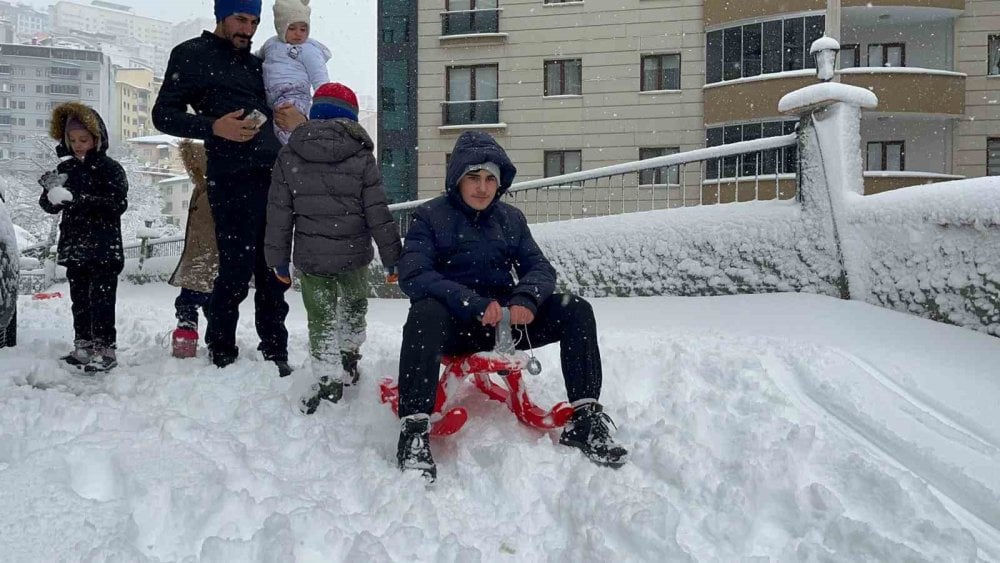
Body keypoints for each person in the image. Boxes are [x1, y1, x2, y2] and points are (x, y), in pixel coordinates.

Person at [394, 131, 628, 482]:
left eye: (491, 179)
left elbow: (539, 267)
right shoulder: (430, 216)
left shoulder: (510, 219)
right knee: (423, 312)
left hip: (506, 325)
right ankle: (413, 429)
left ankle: (585, 418)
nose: (482, 187)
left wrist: (526, 299)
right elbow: (413, 274)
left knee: (575, 308)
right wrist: (471, 302)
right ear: (457, 179)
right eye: (473, 177)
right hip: (454, 325)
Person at [152, 0, 307, 376]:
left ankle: (275, 350)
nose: (248, 29)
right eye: (240, 19)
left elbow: (284, 102)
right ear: (221, 16)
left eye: (254, 22)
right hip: (231, 178)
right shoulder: (191, 54)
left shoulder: (258, 64)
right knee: (234, 271)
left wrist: (297, 118)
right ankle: (222, 348)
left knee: (274, 271)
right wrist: (212, 127)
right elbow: (163, 115)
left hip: (276, 177)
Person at [265, 83, 402, 414]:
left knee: (321, 320)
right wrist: (392, 259)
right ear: (351, 118)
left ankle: (328, 383)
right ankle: (350, 361)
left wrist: (278, 262)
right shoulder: (360, 157)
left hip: (312, 259)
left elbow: (279, 215)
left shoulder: (290, 154)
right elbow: (378, 213)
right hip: (354, 255)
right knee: (353, 307)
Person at [38, 102, 128, 373]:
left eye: (84, 140)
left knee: (102, 299)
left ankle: (105, 348)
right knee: (80, 298)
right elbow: (49, 205)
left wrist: (78, 200)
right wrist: (51, 193)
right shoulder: (65, 170)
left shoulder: (110, 169)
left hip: (104, 247)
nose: (78, 145)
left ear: (97, 138)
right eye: (73, 140)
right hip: (75, 247)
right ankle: (83, 345)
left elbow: (117, 204)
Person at [167, 140, 215, 357]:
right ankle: (210, 339)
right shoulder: (202, 190)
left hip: (206, 258)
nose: (191, 172)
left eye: (194, 167)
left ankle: (193, 338)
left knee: (192, 301)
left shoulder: (210, 193)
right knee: (204, 302)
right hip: (203, 257)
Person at [258, 0, 330, 145]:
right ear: (281, 27)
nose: (298, 34)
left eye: (303, 29)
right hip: (273, 100)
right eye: (292, 28)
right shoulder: (270, 45)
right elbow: (256, 58)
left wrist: (325, 100)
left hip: (296, 96)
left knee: (286, 128)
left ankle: (301, 156)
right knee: (273, 127)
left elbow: (320, 78)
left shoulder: (308, 50)